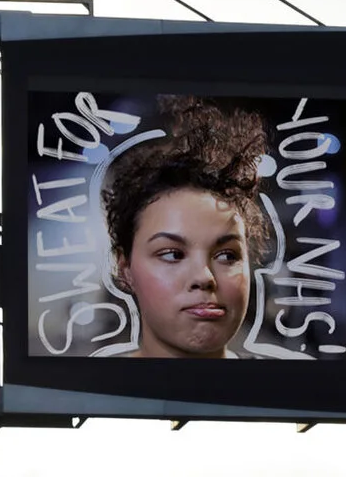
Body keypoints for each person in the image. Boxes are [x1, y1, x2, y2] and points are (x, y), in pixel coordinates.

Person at [102, 97, 275, 358]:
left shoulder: (284, 395)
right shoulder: (85, 394)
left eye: (227, 255)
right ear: (125, 270)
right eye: (172, 254)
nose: (204, 278)